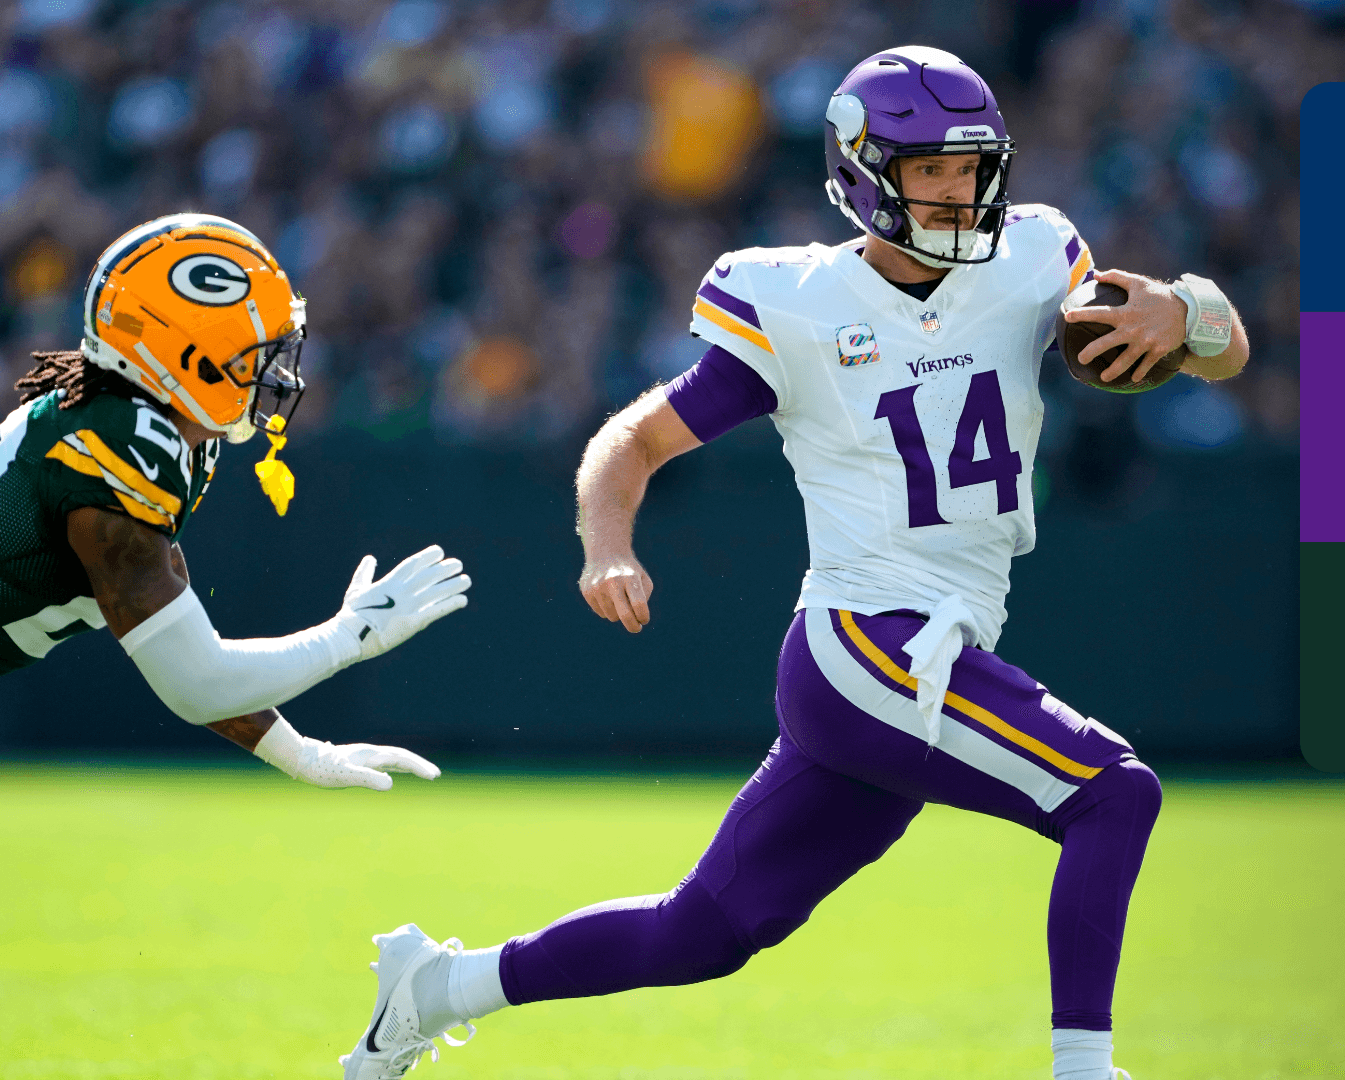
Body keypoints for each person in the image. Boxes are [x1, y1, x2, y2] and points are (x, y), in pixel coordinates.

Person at [337, 46, 1249, 1080]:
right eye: (931, 169)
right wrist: (606, 546)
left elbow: (1224, 352)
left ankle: (435, 988)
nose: (958, 192)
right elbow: (633, 440)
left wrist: (1189, 309)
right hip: (870, 641)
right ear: (864, 173)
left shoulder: (1035, 257)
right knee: (1113, 792)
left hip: (917, 653)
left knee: (702, 933)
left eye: (971, 168)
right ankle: (1084, 1069)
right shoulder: (802, 303)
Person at [0, 214, 471, 1078]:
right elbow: (194, 680)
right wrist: (349, 637)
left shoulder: (153, 437)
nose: (276, 372)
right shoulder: (119, 450)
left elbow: (177, 642)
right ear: (188, 357)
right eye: (255, 353)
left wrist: (298, 750)